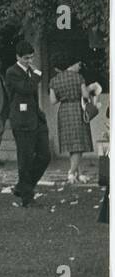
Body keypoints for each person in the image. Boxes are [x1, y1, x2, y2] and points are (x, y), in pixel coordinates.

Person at [6, 40, 51, 207]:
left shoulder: (30, 71)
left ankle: (23, 186)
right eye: (26, 58)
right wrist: (37, 76)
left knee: (45, 156)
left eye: (31, 58)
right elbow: (26, 89)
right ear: (18, 57)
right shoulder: (12, 72)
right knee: (25, 160)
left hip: (36, 119)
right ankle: (27, 197)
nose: (29, 61)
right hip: (22, 121)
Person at [49, 53, 94, 184]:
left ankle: (78, 174)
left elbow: (52, 100)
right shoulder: (78, 78)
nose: (79, 67)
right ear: (72, 64)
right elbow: (85, 95)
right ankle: (71, 173)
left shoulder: (54, 80)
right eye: (79, 64)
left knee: (72, 145)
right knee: (78, 144)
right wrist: (90, 90)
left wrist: (63, 97)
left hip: (63, 111)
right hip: (76, 109)